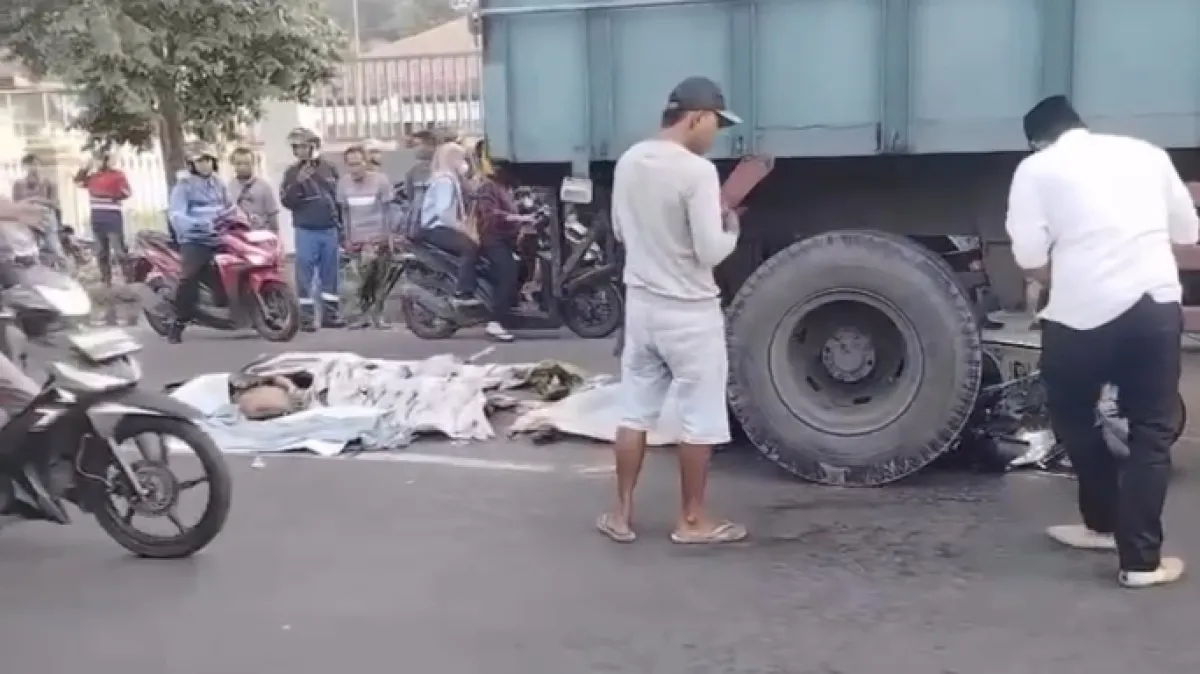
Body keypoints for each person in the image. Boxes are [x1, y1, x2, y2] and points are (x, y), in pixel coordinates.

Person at [1007, 95, 1199, 588]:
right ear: (1080, 125)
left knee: (1073, 416)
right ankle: (1140, 561)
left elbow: (1029, 255)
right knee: (1150, 433)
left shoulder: (1036, 168)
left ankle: (1102, 523)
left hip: (1078, 316)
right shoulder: (1147, 153)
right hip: (1153, 308)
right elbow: (1188, 229)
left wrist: (1058, 272)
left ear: (1036, 139)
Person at [596, 76, 745, 545]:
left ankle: (620, 514)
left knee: (635, 411)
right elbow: (709, 251)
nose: (715, 134)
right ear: (697, 117)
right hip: (690, 313)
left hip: (642, 308)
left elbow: (621, 231)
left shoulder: (630, 160)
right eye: (715, 124)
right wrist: (732, 229)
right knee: (699, 418)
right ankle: (692, 520)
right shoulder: (697, 172)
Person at [166, 143, 232, 344]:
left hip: (221, 236)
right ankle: (178, 323)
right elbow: (176, 215)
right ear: (191, 164)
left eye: (208, 160)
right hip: (196, 239)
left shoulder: (219, 184)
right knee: (190, 278)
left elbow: (229, 207)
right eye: (200, 161)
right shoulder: (184, 186)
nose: (205, 165)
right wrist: (198, 224)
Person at [280, 127, 344, 331]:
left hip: (329, 228)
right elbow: (287, 201)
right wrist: (298, 183)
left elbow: (339, 199)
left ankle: (330, 315)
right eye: (296, 147)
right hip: (306, 229)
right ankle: (306, 318)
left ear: (314, 146)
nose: (300, 151)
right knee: (305, 274)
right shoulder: (291, 172)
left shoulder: (329, 168)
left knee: (330, 274)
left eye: (304, 146)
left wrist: (341, 228)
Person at [471, 139, 532, 342]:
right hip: (492, 239)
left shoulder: (503, 187)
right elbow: (490, 214)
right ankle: (495, 321)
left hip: (506, 238)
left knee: (524, 267)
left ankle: (510, 308)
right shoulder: (487, 187)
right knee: (508, 271)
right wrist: (517, 218)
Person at [337, 144, 396, 329]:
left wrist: (389, 236)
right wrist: (347, 238)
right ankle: (359, 316)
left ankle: (378, 315)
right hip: (357, 240)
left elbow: (389, 211)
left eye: (358, 164)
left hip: (378, 238)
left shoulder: (380, 181)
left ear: (366, 162)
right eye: (350, 165)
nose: (354, 169)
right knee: (356, 281)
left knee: (379, 280)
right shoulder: (343, 184)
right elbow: (344, 213)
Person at [418, 142, 482, 308]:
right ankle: (463, 292)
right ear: (451, 159)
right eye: (461, 158)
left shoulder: (450, 179)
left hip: (440, 226)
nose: (464, 163)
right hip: (436, 228)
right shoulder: (444, 181)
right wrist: (463, 229)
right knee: (469, 247)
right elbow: (444, 213)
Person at [74, 151, 131, 287]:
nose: (98, 163)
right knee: (101, 251)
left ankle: (128, 279)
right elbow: (78, 182)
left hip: (112, 218)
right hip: (97, 218)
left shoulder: (118, 175)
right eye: (96, 160)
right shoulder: (93, 177)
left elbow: (127, 192)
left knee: (119, 251)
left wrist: (111, 194)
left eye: (100, 160)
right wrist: (85, 168)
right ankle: (106, 281)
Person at [11, 153, 64, 265]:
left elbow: (54, 203)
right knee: (30, 250)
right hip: (27, 219)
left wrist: (36, 200)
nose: (33, 168)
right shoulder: (18, 184)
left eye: (35, 165)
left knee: (54, 248)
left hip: (46, 218)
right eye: (29, 165)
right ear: (24, 167)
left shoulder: (48, 183)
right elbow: (15, 204)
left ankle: (63, 272)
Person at [228, 147, 280, 232]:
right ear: (233, 164)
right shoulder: (228, 187)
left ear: (253, 164)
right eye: (238, 163)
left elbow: (273, 216)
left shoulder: (264, 186)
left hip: (260, 235)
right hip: (237, 236)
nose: (242, 167)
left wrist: (276, 238)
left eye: (247, 163)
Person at [403, 130, 439, 237]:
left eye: (417, 145)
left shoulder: (443, 168)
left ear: (431, 146)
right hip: (418, 224)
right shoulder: (412, 172)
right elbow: (411, 198)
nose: (414, 149)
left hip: (439, 225)